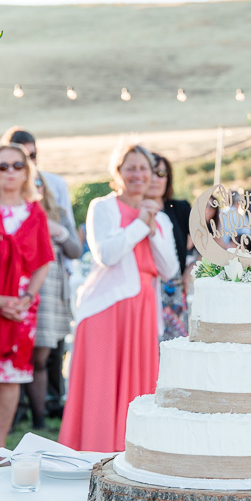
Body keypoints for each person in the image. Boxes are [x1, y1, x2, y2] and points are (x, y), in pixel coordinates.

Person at [58, 144, 178, 452]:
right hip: (105, 309)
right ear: (118, 173)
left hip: (142, 312)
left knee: (137, 392)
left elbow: (169, 269)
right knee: (100, 388)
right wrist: (140, 224)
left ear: (153, 174)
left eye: (144, 169)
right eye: (131, 168)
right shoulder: (103, 207)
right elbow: (107, 255)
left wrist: (151, 227)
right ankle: (92, 453)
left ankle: (130, 456)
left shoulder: (160, 219)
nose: (138, 175)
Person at [0, 145, 53, 467]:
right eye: (2, 166)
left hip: (22, 306)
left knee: (10, 376)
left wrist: (26, 299)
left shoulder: (35, 213)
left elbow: (43, 261)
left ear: (26, 171)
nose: (10, 171)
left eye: (17, 165)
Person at [2, 127, 75, 419]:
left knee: (46, 352)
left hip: (50, 281)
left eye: (32, 156)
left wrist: (55, 230)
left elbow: (74, 246)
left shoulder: (53, 185)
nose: (28, 162)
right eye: (21, 157)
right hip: (12, 281)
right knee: (15, 350)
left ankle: (43, 410)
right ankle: (16, 409)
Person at [27, 174, 82, 430]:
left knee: (46, 353)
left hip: (54, 292)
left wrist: (57, 230)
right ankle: (32, 414)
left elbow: (76, 251)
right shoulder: (17, 213)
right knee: (32, 356)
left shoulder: (57, 213)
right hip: (27, 289)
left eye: (39, 182)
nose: (35, 186)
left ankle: (41, 416)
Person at [145, 153, 192, 341]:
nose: (156, 179)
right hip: (145, 288)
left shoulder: (179, 208)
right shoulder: (134, 210)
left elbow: (208, 242)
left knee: (173, 349)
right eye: (152, 173)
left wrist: (190, 269)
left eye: (162, 173)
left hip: (174, 288)